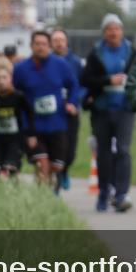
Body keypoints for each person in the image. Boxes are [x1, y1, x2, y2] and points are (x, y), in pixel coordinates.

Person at [82, 14, 136, 212]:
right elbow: (86, 79)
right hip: (102, 109)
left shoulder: (132, 51)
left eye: (116, 29)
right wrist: (108, 81)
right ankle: (104, 192)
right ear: (104, 33)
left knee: (123, 150)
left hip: (125, 108)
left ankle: (121, 194)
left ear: (122, 31)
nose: (113, 32)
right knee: (104, 153)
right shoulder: (96, 52)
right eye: (109, 29)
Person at [13, 31, 81, 191]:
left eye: (44, 44)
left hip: (57, 124)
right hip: (33, 125)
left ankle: (52, 185)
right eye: (37, 44)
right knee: (41, 162)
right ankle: (44, 195)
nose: (41, 47)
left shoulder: (60, 65)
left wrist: (71, 102)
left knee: (56, 166)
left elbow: (74, 85)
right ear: (31, 46)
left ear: (49, 46)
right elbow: (15, 94)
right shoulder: (21, 69)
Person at [0, 62, 35, 179]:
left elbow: (30, 113)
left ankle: (10, 180)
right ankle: (0, 182)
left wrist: (31, 134)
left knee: (11, 166)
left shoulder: (18, 97)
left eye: (4, 77)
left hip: (15, 139)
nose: (1, 81)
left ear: (10, 79)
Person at [52, 29, 88, 191]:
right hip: (53, 113)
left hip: (71, 111)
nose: (59, 43)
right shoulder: (47, 62)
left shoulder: (75, 62)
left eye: (61, 40)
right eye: (55, 40)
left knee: (70, 149)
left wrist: (75, 102)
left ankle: (65, 169)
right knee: (56, 146)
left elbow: (83, 85)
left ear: (66, 42)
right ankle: (57, 179)